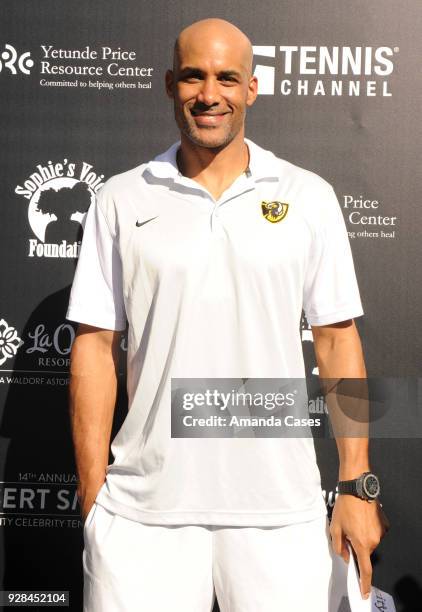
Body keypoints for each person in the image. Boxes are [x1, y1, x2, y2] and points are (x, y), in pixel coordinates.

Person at [67, 17, 388, 612]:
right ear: (169, 84)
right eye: (193, 76)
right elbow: (93, 346)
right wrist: (93, 497)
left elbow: (338, 341)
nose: (209, 94)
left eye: (226, 78)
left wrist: (357, 485)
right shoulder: (120, 198)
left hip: (282, 513)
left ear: (252, 89)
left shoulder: (307, 195)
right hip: (143, 515)